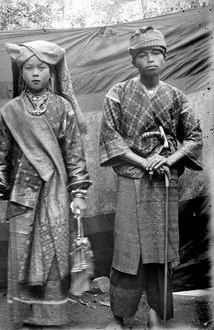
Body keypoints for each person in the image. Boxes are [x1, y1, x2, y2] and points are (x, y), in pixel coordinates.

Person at [0, 40, 91, 329]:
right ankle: (26, 316)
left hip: (55, 192)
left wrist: (78, 192)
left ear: (51, 72)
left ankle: (53, 316)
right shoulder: (11, 111)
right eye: (29, 68)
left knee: (52, 251)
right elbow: (0, 155)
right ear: (21, 73)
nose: (35, 73)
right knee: (23, 252)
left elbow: (75, 154)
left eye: (41, 67)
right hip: (22, 195)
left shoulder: (63, 108)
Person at [99, 26, 203, 328]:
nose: (151, 60)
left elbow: (194, 138)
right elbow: (110, 136)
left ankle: (157, 315)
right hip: (132, 176)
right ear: (134, 60)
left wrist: (166, 159)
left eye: (156, 53)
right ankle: (118, 316)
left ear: (165, 57)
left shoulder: (176, 96)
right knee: (127, 251)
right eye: (143, 54)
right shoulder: (117, 93)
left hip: (164, 180)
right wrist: (142, 161)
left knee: (160, 250)